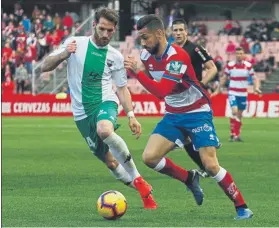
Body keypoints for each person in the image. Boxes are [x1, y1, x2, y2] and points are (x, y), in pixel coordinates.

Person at [124, 14, 253, 220]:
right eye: (141, 38)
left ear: (159, 33)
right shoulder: (146, 56)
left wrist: (137, 73)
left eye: (146, 37)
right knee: (149, 158)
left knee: (210, 165)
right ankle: (189, 178)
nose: (143, 43)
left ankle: (242, 207)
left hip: (197, 112)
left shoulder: (178, 56)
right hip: (173, 114)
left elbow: (161, 91)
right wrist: (139, 71)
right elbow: (155, 82)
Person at [41, 6, 157, 209]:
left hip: (105, 102)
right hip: (81, 114)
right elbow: (45, 66)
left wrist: (131, 115)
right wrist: (63, 55)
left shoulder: (115, 56)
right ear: (94, 25)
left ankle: (138, 179)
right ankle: (143, 192)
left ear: (114, 30)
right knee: (111, 163)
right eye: (102, 29)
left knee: (104, 129)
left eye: (110, 31)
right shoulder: (74, 43)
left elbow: (122, 89)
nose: (105, 34)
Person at [172, 18, 218, 178]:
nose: (178, 33)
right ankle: (205, 167)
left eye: (180, 30)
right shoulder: (169, 50)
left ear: (186, 32)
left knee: (196, 134)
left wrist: (202, 83)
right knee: (186, 139)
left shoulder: (195, 48)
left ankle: (210, 161)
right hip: (178, 99)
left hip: (196, 99)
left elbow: (212, 68)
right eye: (175, 30)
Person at [212, 47, 261, 142]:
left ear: (244, 55)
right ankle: (234, 134)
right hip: (233, 93)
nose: (239, 55)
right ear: (235, 55)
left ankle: (235, 134)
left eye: (241, 53)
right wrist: (218, 90)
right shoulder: (230, 65)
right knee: (234, 111)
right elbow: (224, 78)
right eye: (237, 53)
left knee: (239, 114)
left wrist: (256, 88)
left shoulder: (248, 66)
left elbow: (255, 78)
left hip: (243, 93)